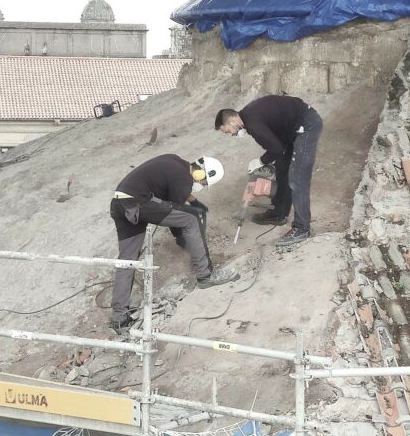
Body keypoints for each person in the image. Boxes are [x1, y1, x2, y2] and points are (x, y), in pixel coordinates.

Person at [109, 154, 239, 334]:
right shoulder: (184, 178)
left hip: (120, 203)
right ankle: (206, 275)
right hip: (139, 202)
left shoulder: (176, 164)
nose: (202, 186)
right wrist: (184, 240)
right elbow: (176, 215)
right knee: (191, 218)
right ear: (201, 174)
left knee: (127, 260)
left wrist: (195, 202)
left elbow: (174, 200)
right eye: (204, 183)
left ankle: (119, 318)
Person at [214, 95, 322, 247]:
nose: (230, 135)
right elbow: (277, 147)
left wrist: (260, 161)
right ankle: (279, 214)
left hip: (306, 125)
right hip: (291, 130)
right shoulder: (249, 117)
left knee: (297, 179)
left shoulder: (252, 123)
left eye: (227, 131)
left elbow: (276, 149)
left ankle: (302, 228)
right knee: (282, 168)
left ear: (233, 121)